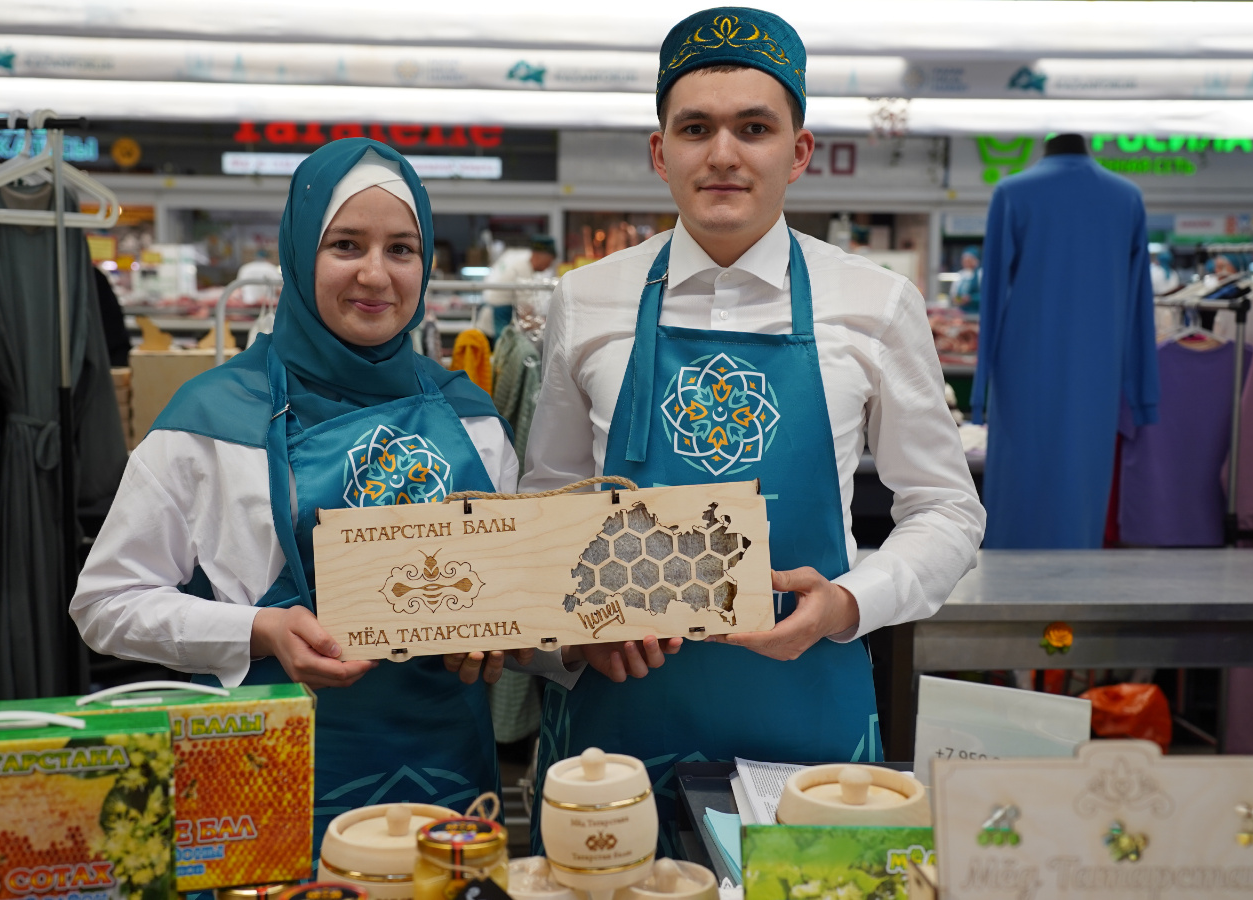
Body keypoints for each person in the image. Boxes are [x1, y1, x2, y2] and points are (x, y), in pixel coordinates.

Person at [520, 7, 985, 852]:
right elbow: (546, 503)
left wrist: (849, 602)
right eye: (696, 128)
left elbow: (947, 510)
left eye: (754, 128)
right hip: (613, 730)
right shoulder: (585, 301)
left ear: (798, 152)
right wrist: (573, 637)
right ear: (661, 151)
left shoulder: (876, 305)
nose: (724, 154)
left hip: (808, 721)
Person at [71, 139, 529, 850]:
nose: (375, 274)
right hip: (265, 786)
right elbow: (105, 604)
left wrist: (503, 637)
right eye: (345, 245)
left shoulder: (473, 419)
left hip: (446, 789)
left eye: (401, 249)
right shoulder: (210, 420)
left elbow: (514, 594)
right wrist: (260, 630)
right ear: (297, 252)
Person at [951, 245, 982, 313]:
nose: (966, 262)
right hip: (962, 313)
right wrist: (960, 299)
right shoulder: (960, 275)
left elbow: (986, 296)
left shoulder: (981, 274)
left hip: (977, 313)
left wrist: (971, 299)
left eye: (969, 260)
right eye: (964, 260)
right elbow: (954, 296)